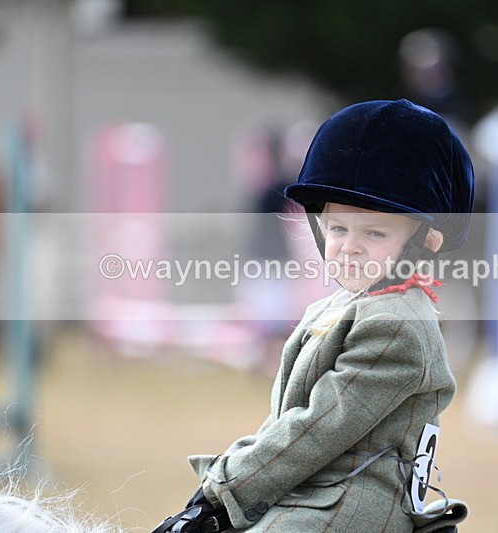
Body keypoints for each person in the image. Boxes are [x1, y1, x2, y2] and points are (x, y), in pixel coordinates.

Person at [153, 99, 474, 533]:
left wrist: (223, 490)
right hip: (309, 490)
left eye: (375, 232)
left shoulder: (397, 323)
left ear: (425, 241)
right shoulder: (337, 305)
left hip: (352, 503)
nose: (350, 246)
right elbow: (283, 424)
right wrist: (220, 485)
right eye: (338, 228)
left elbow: (317, 429)